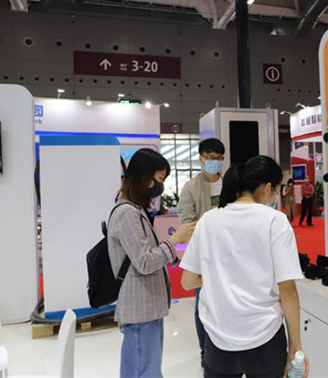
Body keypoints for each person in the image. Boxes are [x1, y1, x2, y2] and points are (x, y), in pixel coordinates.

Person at [179, 155, 310, 378]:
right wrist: (295, 347)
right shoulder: (275, 221)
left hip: (218, 342)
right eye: (276, 190)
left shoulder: (208, 220)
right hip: (265, 339)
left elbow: (187, 282)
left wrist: (219, 275)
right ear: (267, 188)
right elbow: (287, 290)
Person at [108, 148, 196, 378]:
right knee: (143, 370)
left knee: (148, 368)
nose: (160, 186)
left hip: (147, 306)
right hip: (139, 308)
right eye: (159, 179)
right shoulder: (126, 213)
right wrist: (175, 240)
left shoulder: (137, 210)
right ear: (144, 177)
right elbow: (145, 262)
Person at [176, 138, 225, 361]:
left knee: (227, 300)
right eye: (211, 158)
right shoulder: (191, 187)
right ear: (201, 159)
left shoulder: (230, 184)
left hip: (229, 253)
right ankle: (206, 351)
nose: (216, 162)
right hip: (204, 255)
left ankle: (226, 347)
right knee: (203, 303)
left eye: (220, 158)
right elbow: (186, 224)